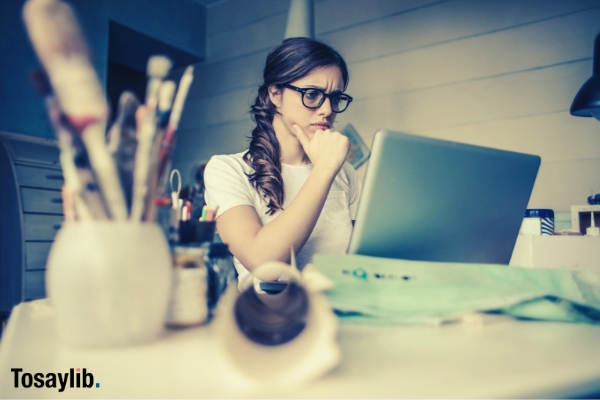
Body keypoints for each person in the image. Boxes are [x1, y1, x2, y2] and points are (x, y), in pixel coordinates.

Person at [204, 37, 360, 288]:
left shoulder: (346, 174)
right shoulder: (227, 170)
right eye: (312, 95)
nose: (327, 110)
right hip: (267, 319)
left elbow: (357, 264)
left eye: (335, 98)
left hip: (338, 317)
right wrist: (324, 170)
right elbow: (264, 266)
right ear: (275, 94)